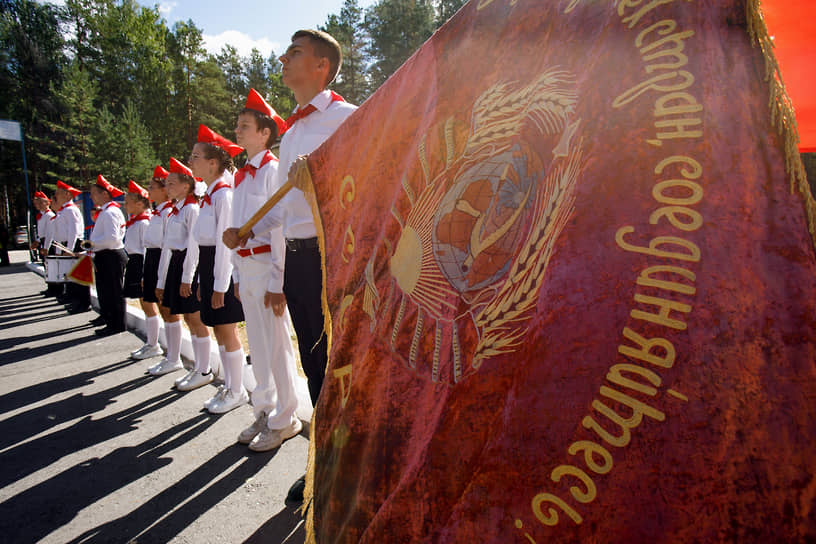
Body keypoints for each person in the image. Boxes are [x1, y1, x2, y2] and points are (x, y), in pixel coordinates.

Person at [224, 29, 357, 490]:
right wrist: (247, 231)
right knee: (315, 362)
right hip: (300, 260)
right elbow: (281, 210)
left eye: (295, 53)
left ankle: (357, 465)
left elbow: (371, 186)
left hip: (336, 254)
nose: (283, 58)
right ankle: (326, 463)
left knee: (348, 361)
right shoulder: (295, 131)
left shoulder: (349, 119)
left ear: (322, 65)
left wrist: (323, 177)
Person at [225, 90, 303, 448]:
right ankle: (265, 407)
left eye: (245, 126)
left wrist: (278, 281)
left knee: (276, 346)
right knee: (257, 343)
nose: (237, 131)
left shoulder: (274, 171)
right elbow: (236, 229)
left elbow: (282, 228)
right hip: (247, 266)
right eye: (238, 126)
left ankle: (286, 418)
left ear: (265, 133)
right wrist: (237, 275)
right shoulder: (241, 176)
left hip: (268, 268)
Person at [184, 124, 245, 401]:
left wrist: (221, 284)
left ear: (212, 162)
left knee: (226, 327)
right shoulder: (209, 195)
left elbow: (224, 246)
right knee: (218, 329)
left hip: (222, 268)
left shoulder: (223, 195)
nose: (190, 161)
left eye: (195, 156)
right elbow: (201, 242)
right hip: (209, 268)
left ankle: (237, 390)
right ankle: (229, 385)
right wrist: (199, 279)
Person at [153, 158, 209, 378]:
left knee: (195, 318)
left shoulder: (191, 210)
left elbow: (193, 246)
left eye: (171, 184)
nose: (167, 188)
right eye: (166, 184)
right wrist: (162, 279)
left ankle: (203, 370)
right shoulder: (176, 210)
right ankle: (197, 366)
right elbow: (168, 245)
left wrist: (188, 277)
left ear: (186, 186)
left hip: (189, 264)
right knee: (187, 317)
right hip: (177, 263)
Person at [136, 166, 175, 365]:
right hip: (152, 258)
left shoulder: (168, 212)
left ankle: (173, 357)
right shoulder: (157, 212)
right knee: (160, 308)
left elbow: (166, 244)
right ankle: (165, 350)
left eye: (152, 187)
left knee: (167, 309)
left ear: (164, 190)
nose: (148, 191)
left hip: (163, 258)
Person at [86, 174, 127, 336]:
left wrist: (91, 245)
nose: (91, 196)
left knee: (114, 292)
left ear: (105, 194)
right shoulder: (106, 211)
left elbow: (111, 239)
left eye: (94, 193)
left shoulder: (110, 212)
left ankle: (116, 325)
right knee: (106, 291)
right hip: (105, 256)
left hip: (111, 255)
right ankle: (111, 321)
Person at [49, 180, 90, 314]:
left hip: (74, 244)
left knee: (78, 277)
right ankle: (75, 301)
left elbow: (73, 231)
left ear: (67, 195)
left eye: (58, 194)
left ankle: (82, 303)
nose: (56, 196)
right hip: (67, 245)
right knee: (71, 277)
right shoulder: (64, 210)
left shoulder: (71, 210)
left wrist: (70, 249)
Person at [122, 180, 152, 333]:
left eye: (128, 203)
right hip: (134, 260)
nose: (125, 206)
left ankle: (154, 343)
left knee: (148, 304)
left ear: (140, 204)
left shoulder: (144, 223)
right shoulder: (135, 222)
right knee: (143, 304)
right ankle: (151, 340)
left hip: (141, 262)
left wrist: (143, 274)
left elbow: (146, 248)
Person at [32, 191, 57, 295]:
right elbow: (42, 232)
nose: (37, 205)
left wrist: (46, 247)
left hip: (49, 242)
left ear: (47, 203)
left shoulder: (49, 215)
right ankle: (50, 287)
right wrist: (37, 241)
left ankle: (55, 289)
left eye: (40, 203)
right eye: (36, 203)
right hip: (43, 241)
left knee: (51, 267)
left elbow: (50, 233)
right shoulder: (41, 216)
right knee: (47, 266)